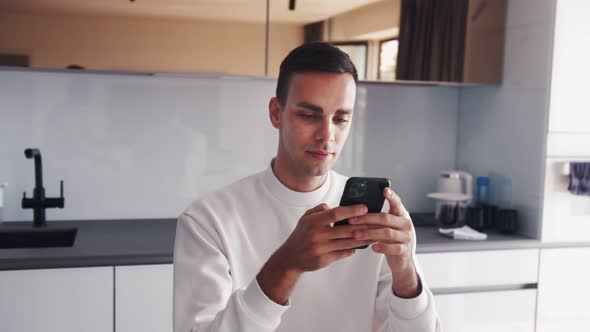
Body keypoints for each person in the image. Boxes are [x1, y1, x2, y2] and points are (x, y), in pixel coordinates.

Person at [173, 42, 440, 332]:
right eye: (309, 115)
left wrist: (406, 277)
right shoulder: (207, 222)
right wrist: (286, 265)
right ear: (277, 113)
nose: (327, 135)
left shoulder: (383, 220)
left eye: (340, 119)